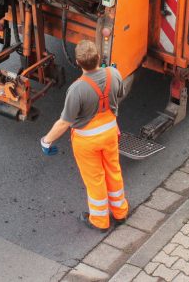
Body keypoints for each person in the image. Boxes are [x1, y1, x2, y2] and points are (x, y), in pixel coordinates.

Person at [41, 39, 129, 232]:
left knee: (95, 179)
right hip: (110, 133)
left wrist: (46, 141)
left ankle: (99, 221)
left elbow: (65, 122)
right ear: (98, 57)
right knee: (113, 171)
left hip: (87, 141)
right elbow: (120, 93)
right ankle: (120, 212)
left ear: (78, 63)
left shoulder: (77, 89)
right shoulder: (113, 74)